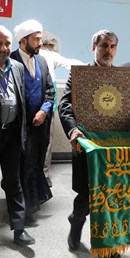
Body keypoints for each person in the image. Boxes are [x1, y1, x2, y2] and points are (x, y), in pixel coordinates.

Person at [58, 29, 130, 258]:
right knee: (87, 197)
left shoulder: (124, 77)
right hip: (88, 148)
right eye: (104, 46)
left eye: (112, 47)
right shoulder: (80, 75)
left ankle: (106, 246)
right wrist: (73, 131)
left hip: (116, 151)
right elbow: (65, 105)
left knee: (112, 198)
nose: (108, 51)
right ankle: (76, 221)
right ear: (94, 48)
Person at [0, 25, 35, 246]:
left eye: (7, 43)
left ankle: (19, 229)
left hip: (12, 134)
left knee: (13, 181)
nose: (4, 47)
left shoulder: (17, 67)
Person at [11, 19, 54, 217]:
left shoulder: (42, 62)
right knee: (22, 165)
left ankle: (34, 200)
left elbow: (50, 91)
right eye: (36, 39)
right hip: (19, 127)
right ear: (23, 40)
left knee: (36, 162)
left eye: (40, 38)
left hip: (40, 125)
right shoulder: (10, 61)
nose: (40, 43)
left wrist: (44, 111)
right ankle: (24, 208)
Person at [39, 32, 85, 186]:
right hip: (47, 103)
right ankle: (44, 174)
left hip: (37, 101)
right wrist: (93, 67)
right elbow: (71, 63)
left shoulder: (35, 54)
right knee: (47, 140)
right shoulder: (50, 54)